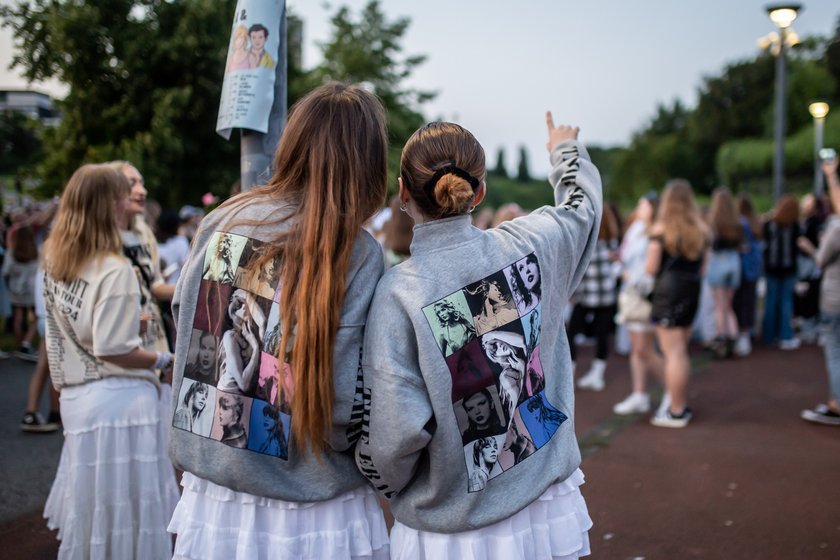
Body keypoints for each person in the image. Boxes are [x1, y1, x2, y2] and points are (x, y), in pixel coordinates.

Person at [357, 115, 600, 558]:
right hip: (548, 508)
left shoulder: (400, 292)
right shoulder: (533, 244)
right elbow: (582, 208)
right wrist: (565, 151)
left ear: (404, 193)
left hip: (452, 530)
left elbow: (394, 435)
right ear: (480, 191)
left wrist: (392, 484)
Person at [167, 82, 390, 559]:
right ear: (368, 161)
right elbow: (347, 394)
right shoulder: (355, 250)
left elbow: (184, 320)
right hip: (312, 494)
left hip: (217, 483)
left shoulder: (226, 218)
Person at [41, 164, 178, 558]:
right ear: (109, 204)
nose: (131, 199)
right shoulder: (115, 268)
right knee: (130, 515)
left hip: (76, 401)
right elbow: (113, 349)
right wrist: (163, 359)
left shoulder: (53, 257)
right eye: (123, 193)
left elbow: (78, 324)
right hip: (121, 403)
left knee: (94, 513)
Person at [646, 179, 709, 428]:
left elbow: (651, 268)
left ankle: (676, 409)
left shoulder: (661, 230)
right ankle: (679, 405)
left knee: (674, 354)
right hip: (691, 290)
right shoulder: (702, 230)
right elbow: (703, 267)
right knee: (680, 351)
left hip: (668, 292)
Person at [613, 192, 666, 415]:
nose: (639, 207)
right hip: (631, 292)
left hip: (643, 294)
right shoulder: (637, 229)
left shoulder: (656, 232)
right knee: (638, 350)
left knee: (645, 350)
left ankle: (671, 392)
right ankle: (640, 394)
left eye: (642, 204)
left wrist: (628, 276)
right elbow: (626, 257)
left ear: (652, 208)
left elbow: (650, 270)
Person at [801, 155, 840, 426]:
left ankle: (837, 404)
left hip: (835, 299)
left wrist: (813, 246)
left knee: (835, 353)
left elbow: (821, 259)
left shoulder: (837, 228)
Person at [570, 204, 620, 391]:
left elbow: (579, 270)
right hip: (605, 297)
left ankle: (573, 372)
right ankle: (597, 374)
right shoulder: (612, 244)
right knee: (602, 336)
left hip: (586, 296)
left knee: (571, 334)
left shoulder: (587, 243)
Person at [705, 187, 742, 359]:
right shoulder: (737, 222)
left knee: (720, 307)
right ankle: (734, 340)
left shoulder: (713, 222)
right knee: (729, 306)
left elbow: (709, 244)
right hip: (734, 261)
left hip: (719, 261)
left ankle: (721, 342)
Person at [762, 195, 801, 349]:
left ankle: (768, 335)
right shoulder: (795, 226)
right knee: (786, 302)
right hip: (788, 268)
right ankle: (785, 334)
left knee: (771, 302)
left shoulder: (770, 224)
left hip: (771, 268)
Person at [732, 194, 763, 357]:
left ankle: (741, 334)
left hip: (742, 267)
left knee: (739, 301)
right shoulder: (755, 223)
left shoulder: (740, 223)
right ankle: (747, 332)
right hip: (753, 268)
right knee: (749, 301)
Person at [2, 224, 39, 361]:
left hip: (15, 288)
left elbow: (6, 271)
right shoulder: (36, 252)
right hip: (30, 289)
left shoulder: (12, 253)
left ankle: (19, 344)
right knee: (36, 318)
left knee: (18, 316)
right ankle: (26, 342)